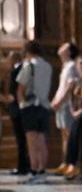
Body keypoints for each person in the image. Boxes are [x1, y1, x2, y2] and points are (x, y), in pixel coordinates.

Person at [15, 39, 52, 183]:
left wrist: (22, 104)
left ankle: (34, 171)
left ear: (27, 51)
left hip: (30, 106)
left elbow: (20, 89)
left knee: (31, 141)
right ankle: (42, 170)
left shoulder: (29, 65)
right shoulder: (48, 66)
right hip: (44, 105)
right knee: (41, 139)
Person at [48, 41, 80, 175]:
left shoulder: (72, 65)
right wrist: (55, 100)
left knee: (70, 135)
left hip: (67, 105)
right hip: (61, 105)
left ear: (69, 52)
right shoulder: (65, 66)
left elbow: (70, 86)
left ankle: (73, 164)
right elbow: (61, 86)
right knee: (64, 136)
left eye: (64, 47)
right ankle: (65, 162)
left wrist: (60, 101)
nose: (60, 47)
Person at [4, 52, 30, 175]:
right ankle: (24, 166)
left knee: (22, 139)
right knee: (22, 139)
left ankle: (23, 167)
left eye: (9, 58)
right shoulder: (15, 69)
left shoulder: (19, 69)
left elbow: (19, 89)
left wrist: (11, 98)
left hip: (18, 109)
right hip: (15, 108)